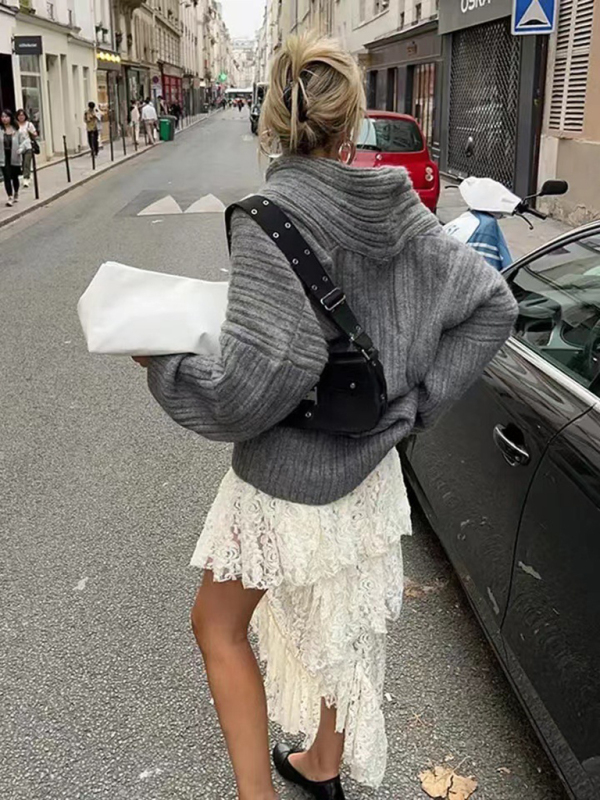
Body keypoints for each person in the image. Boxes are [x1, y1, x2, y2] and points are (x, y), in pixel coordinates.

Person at [134, 33, 517, 800]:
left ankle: (257, 794)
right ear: (352, 126)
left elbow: (249, 389)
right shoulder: (402, 211)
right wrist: (416, 405)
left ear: (273, 120)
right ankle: (323, 767)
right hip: (369, 469)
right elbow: (493, 305)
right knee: (343, 628)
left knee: (217, 625)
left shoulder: (270, 216)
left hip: (284, 477)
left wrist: (163, 366)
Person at [0, 109, 27, 207]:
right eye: (2, 117)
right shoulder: (0, 130)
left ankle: (16, 192)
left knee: (14, 177)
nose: (4, 119)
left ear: (10, 118)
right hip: (3, 157)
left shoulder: (17, 130)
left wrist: (20, 149)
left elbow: (24, 142)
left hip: (14, 156)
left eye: (6, 116)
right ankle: (10, 197)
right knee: (7, 177)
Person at [16, 108, 37, 188]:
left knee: (26, 162)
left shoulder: (29, 124)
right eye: (19, 115)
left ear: (25, 116)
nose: (21, 117)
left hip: (28, 146)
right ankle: (25, 174)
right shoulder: (15, 125)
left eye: (22, 115)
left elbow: (35, 134)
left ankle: (26, 178)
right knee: (21, 163)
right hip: (18, 146)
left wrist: (31, 132)